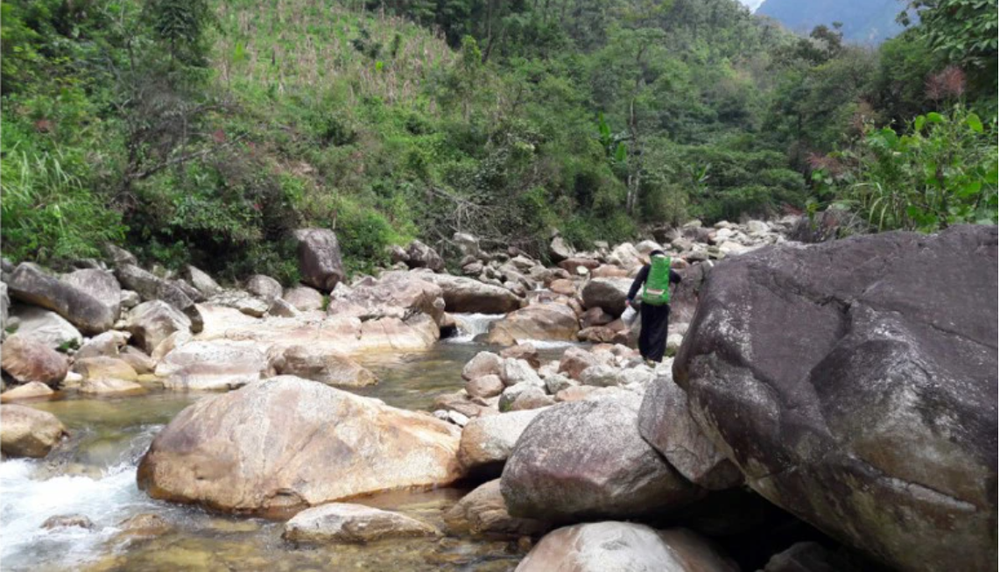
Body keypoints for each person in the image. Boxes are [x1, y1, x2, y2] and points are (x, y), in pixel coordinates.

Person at [626, 250, 681, 364]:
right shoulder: (666, 270)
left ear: (652, 259)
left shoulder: (646, 269)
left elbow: (637, 283)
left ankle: (645, 354)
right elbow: (678, 278)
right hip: (661, 304)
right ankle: (654, 357)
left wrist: (629, 298)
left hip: (647, 303)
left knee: (646, 327)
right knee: (659, 330)